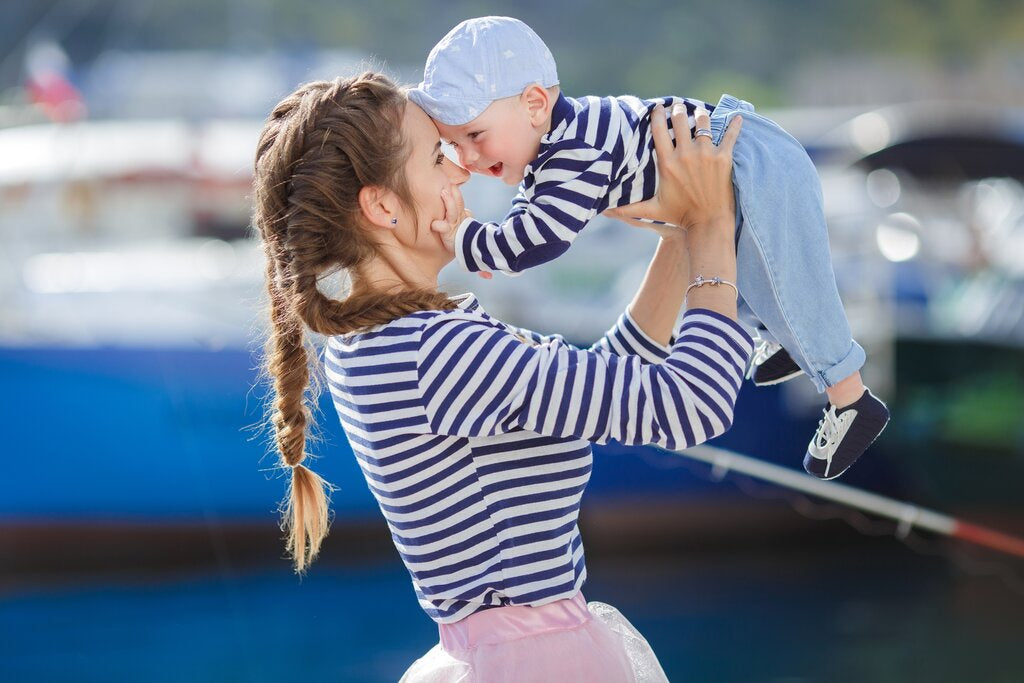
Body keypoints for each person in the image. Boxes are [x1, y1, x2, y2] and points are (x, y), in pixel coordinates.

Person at [253, 70, 748, 681]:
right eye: (438, 156)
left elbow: (598, 383)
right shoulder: (438, 350)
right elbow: (690, 405)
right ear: (381, 205)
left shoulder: (374, 342)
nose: (462, 168)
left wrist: (678, 240)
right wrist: (713, 227)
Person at [408, 16, 890, 480]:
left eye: (474, 136)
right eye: (452, 146)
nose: (467, 161)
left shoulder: (572, 154)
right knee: (762, 269)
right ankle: (788, 339)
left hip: (745, 159)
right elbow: (525, 234)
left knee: (791, 279)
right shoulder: (556, 148)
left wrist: (465, 238)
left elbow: (534, 241)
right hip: (734, 154)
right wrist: (490, 247)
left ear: (535, 104)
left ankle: (851, 399)